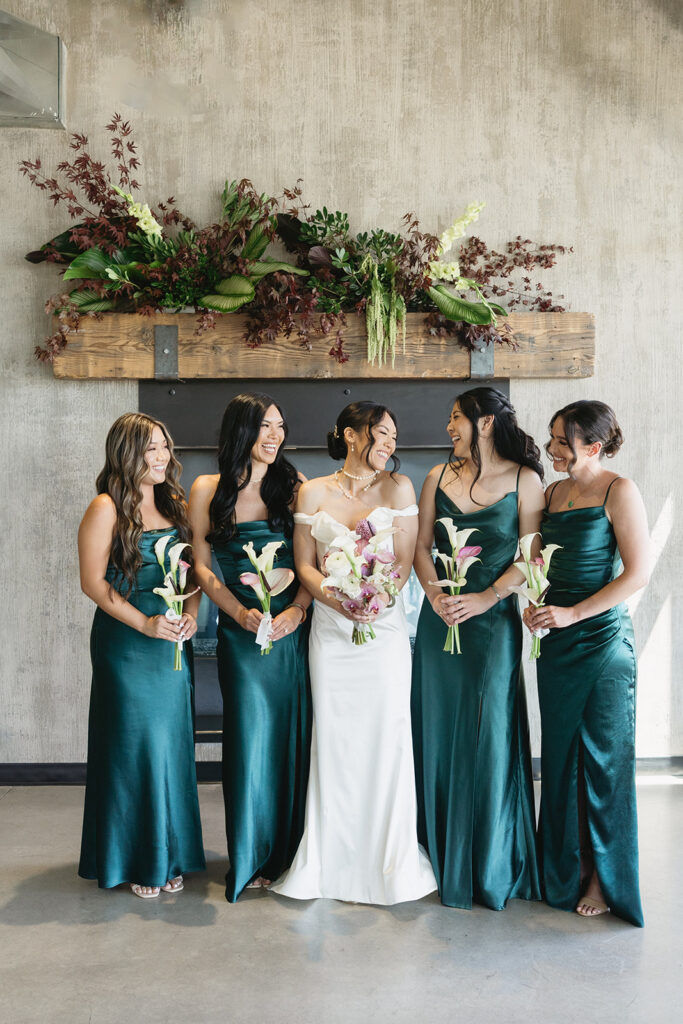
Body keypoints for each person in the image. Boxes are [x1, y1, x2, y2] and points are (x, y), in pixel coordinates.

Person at [271, 401, 436, 905]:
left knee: (387, 739)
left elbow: (405, 560)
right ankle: (330, 860)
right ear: (350, 434)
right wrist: (340, 598)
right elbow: (304, 564)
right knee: (336, 740)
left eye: (393, 436)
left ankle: (388, 861)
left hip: (383, 632)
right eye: (380, 434)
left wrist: (377, 599)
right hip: (332, 633)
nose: (389, 444)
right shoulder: (312, 490)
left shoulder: (399, 488)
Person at [411, 387, 544, 910]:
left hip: (492, 626)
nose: (449, 427)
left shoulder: (524, 480)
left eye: (456, 418)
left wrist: (487, 597)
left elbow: (530, 556)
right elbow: (421, 547)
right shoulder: (436, 478)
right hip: (439, 619)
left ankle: (488, 863)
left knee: (489, 735)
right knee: (438, 731)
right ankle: (436, 856)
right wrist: (436, 594)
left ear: (484, 422)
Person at [525, 400, 649, 925]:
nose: (551, 449)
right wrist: (536, 601)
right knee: (560, 762)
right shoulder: (552, 494)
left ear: (592, 447)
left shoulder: (620, 490)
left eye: (561, 442)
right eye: (552, 439)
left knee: (603, 763)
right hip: (556, 643)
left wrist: (573, 612)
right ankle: (563, 871)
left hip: (601, 643)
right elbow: (536, 560)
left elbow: (637, 574)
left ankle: (603, 879)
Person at [188, 394, 311, 902]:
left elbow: (312, 565)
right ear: (241, 430)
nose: (275, 435)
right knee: (247, 741)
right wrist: (236, 613)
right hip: (240, 633)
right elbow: (199, 565)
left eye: (280, 426)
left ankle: (289, 855)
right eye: (264, 426)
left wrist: (296, 611)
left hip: (290, 633)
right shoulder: (206, 488)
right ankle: (251, 855)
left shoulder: (296, 486)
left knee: (290, 740)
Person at [78, 413, 205, 898]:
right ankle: (135, 858)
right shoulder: (105, 507)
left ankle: (168, 853)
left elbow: (195, 570)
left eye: (164, 448)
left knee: (169, 746)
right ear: (127, 452)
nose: (162, 457)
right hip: (127, 646)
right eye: (151, 448)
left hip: (172, 642)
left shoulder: (175, 502)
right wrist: (147, 623)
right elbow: (93, 584)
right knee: (132, 747)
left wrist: (190, 614)